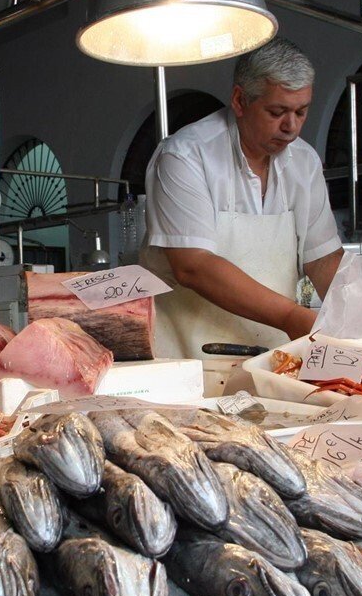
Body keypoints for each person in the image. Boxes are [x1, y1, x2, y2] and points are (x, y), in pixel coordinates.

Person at [141, 37, 345, 360]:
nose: (291, 127)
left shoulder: (304, 163)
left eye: (301, 112)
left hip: (270, 356)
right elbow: (193, 265)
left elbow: (323, 260)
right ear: (239, 100)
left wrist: (361, 320)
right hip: (186, 359)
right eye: (277, 112)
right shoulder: (185, 156)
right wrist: (290, 316)